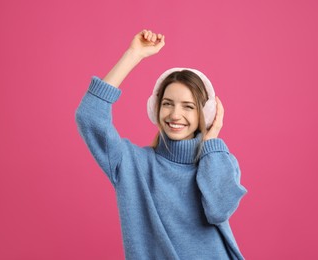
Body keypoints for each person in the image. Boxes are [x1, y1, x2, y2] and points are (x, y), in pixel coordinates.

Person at [75, 29, 248, 260]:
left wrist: (211, 140)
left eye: (188, 106)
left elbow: (218, 210)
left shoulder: (220, 161)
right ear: (156, 109)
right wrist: (133, 54)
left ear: (204, 113)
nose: (175, 114)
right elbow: (89, 116)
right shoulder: (132, 164)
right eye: (168, 103)